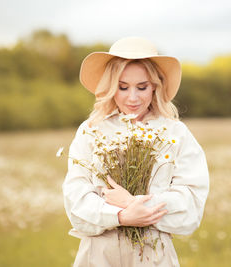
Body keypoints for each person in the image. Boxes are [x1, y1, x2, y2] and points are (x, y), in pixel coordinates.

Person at [62, 36, 209, 267]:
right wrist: (121, 216)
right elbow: (76, 202)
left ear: (155, 86)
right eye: (123, 87)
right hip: (99, 255)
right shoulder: (91, 131)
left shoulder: (175, 133)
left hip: (153, 255)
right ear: (111, 87)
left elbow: (190, 205)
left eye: (142, 87)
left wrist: (136, 204)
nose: (133, 97)